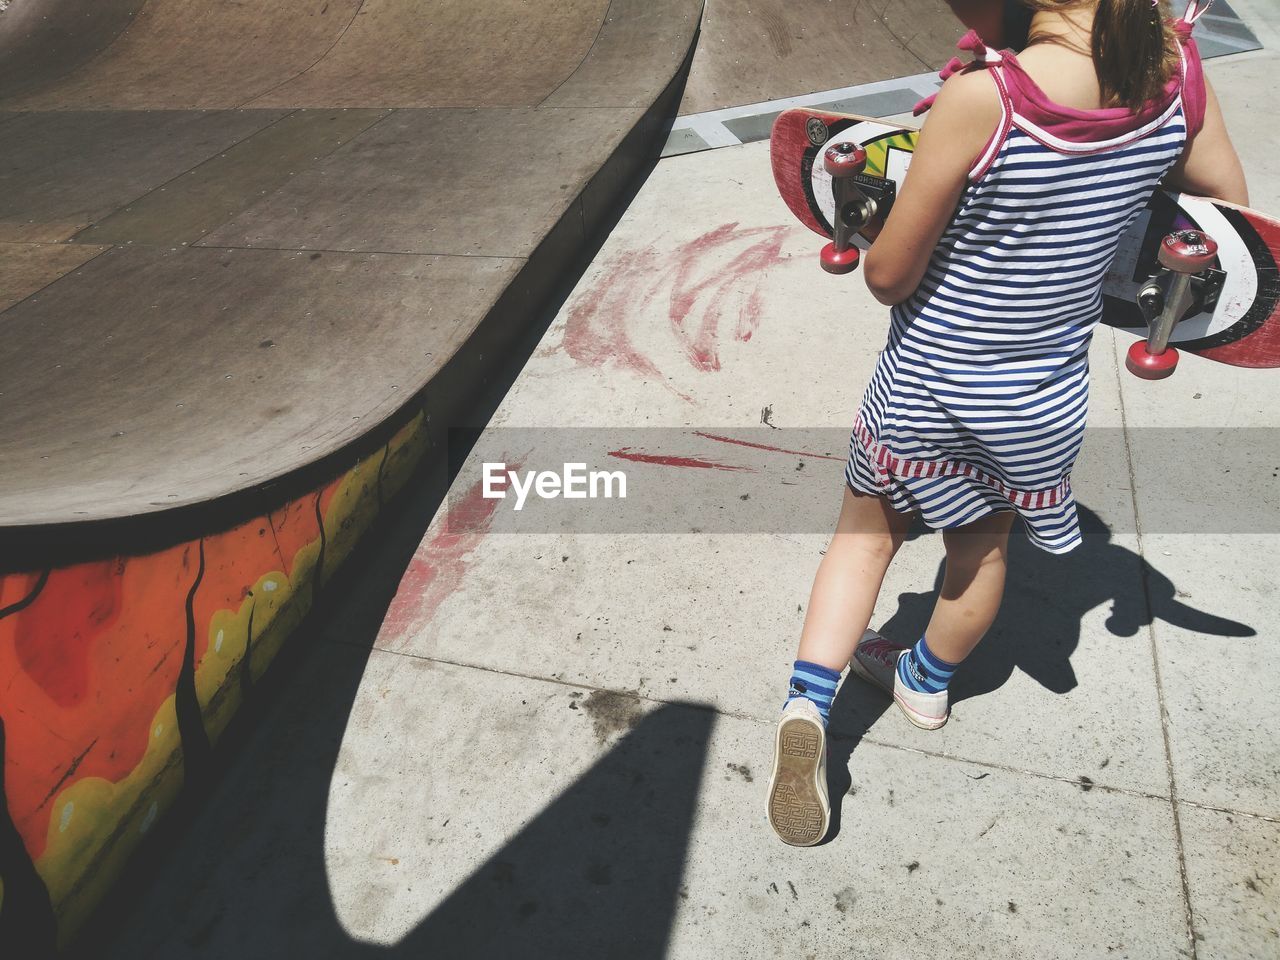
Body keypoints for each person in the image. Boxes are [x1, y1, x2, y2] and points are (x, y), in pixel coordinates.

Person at [765, 0, 1247, 847]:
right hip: (1039, 400)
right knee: (980, 551)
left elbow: (887, 275)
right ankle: (921, 679)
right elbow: (1226, 218)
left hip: (926, 386)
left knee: (863, 540)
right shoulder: (1172, 75)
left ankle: (809, 703)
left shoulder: (987, 99)